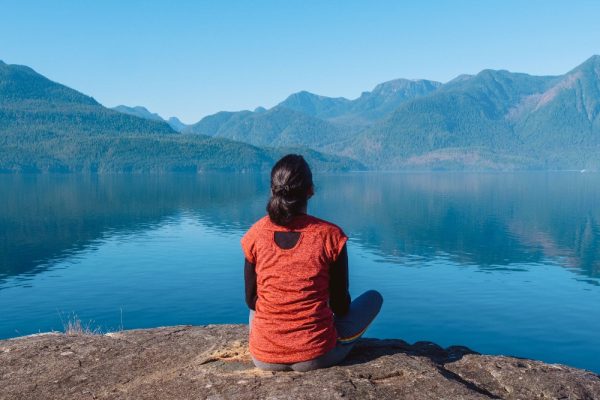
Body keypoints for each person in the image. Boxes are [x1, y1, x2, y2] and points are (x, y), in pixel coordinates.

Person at [241, 154, 383, 372]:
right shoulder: (330, 236)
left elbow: (251, 301)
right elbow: (341, 306)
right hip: (318, 355)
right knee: (374, 298)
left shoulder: (255, 234)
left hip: (264, 357)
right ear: (310, 190)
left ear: (273, 190)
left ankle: (272, 340)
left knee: (259, 307)